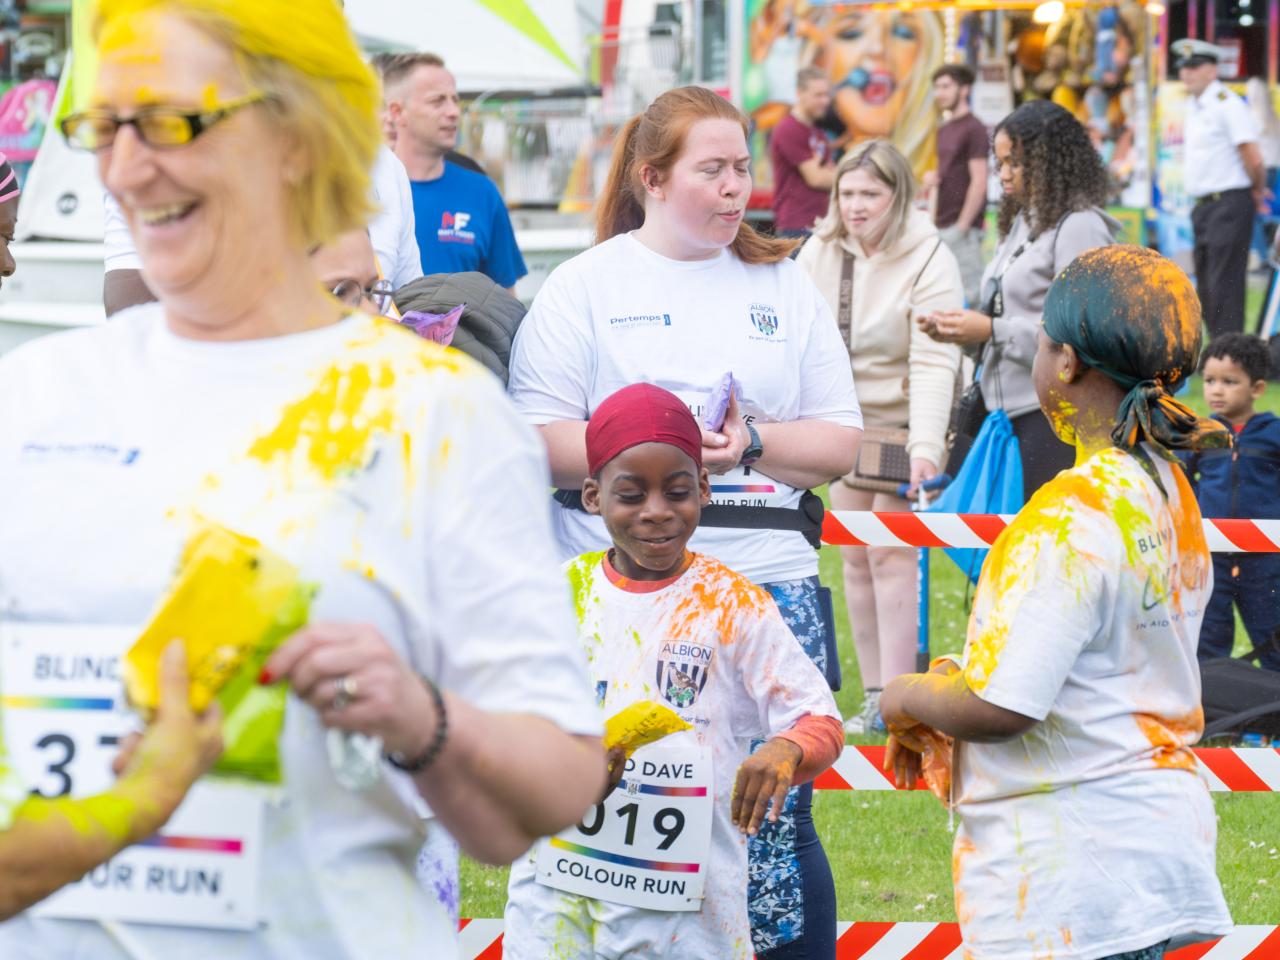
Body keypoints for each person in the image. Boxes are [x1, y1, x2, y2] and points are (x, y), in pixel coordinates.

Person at [3, 3, 604, 958]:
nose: (124, 167)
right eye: (104, 128)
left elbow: (549, 792)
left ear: (294, 135)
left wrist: (423, 720)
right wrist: (131, 802)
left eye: (168, 122)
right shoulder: (30, 401)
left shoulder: (436, 414)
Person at [508, 85, 862, 960]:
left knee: (777, 821)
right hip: (622, 594)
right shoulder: (587, 285)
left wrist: (751, 444)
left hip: (765, 577)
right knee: (618, 808)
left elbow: (842, 441)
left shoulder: (783, 279)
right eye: (712, 170)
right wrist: (652, 443)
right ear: (652, 178)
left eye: (743, 167)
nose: (737, 187)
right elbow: (531, 438)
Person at [881, 244, 1234, 960]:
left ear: (1066, 362)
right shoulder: (1166, 488)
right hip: (1144, 851)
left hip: (1071, 875)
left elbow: (1003, 707)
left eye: (1040, 341)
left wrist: (905, 693)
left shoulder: (1068, 517)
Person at [503, 383, 843, 960]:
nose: (656, 511)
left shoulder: (732, 605)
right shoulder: (555, 597)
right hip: (555, 918)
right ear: (592, 495)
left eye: (678, 491)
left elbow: (821, 722)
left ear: (705, 489)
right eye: (630, 494)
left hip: (690, 930)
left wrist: (785, 750)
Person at [795, 140, 961, 733]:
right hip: (841, 421)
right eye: (848, 192)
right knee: (855, 558)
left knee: (892, 555)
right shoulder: (820, 249)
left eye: (870, 193)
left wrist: (925, 449)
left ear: (899, 196)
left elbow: (935, 361)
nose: (857, 205)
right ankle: (873, 695)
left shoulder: (928, 256)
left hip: (903, 419)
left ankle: (899, 696)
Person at [920, 100, 1117, 500]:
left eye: (1016, 164)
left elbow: (1083, 339)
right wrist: (963, 331)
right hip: (1007, 413)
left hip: (1051, 419)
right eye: (1000, 164)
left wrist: (992, 330)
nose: (1004, 176)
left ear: (1052, 162)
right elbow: (1008, 312)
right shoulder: (1025, 221)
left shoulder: (1081, 227)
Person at [382, 52, 527, 294]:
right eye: (437, 101)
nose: (453, 112)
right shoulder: (369, 189)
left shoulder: (482, 192)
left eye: (454, 100)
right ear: (397, 112)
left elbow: (506, 304)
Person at [1184, 333, 1280, 670]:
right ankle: (1212, 710)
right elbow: (1179, 479)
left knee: (1272, 636)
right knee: (1208, 638)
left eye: (1229, 381)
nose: (1216, 390)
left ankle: (1271, 714)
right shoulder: (1198, 433)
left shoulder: (1274, 433)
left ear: (1256, 389)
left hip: (1266, 559)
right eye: (1209, 380)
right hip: (1212, 556)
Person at [1175, 38, 1266, 338]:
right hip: (1205, 204)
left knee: (1224, 282)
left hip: (1228, 201)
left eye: (1194, 66)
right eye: (1183, 67)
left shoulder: (1227, 103)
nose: (1186, 73)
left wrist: (1256, 190)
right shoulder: (1195, 105)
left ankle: (1228, 352)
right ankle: (1218, 350)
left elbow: (1252, 156)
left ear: (1212, 70)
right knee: (1205, 284)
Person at [926, 63, 988, 308]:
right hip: (941, 223)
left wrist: (963, 225)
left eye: (945, 86)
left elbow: (979, 180)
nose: (939, 93)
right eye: (937, 88)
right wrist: (933, 178)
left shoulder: (974, 128)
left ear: (964, 89)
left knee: (972, 296)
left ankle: (974, 347)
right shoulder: (945, 128)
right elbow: (947, 171)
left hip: (962, 229)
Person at [770, 67, 836, 238]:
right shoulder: (789, 129)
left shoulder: (818, 133)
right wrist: (844, 177)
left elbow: (829, 173)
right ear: (800, 93)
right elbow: (817, 179)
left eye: (827, 95)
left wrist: (829, 174)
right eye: (818, 95)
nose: (825, 101)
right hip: (796, 226)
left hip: (819, 224)